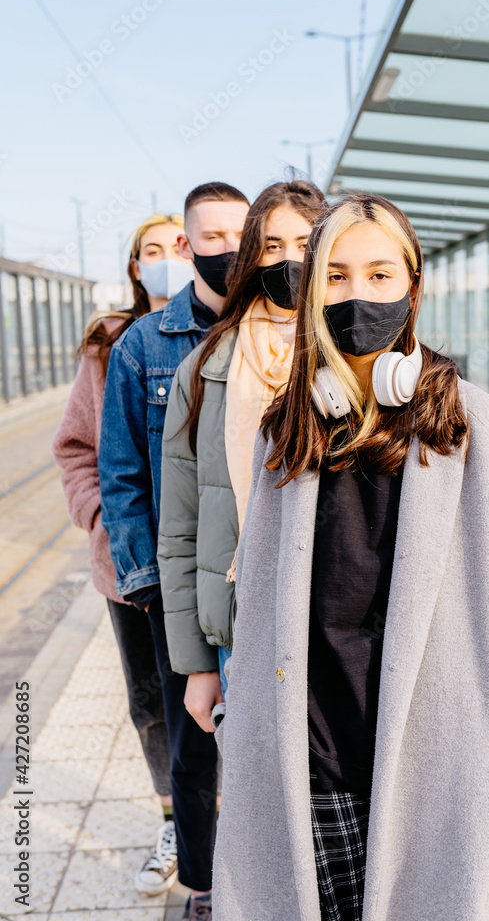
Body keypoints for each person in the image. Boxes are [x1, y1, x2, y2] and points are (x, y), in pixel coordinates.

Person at [211, 193, 489, 921]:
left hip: (440, 776)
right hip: (308, 767)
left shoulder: (471, 425)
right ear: (311, 293)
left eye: (378, 275)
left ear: (412, 286)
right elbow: (259, 597)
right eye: (334, 276)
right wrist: (239, 730)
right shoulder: (288, 429)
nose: (355, 295)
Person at [99, 182, 249, 921]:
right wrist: (148, 585)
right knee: (195, 741)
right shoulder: (143, 346)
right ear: (188, 244)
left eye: (240, 234)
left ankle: (263, 873)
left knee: (265, 732)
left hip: (259, 577)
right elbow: (120, 474)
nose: (231, 249)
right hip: (180, 581)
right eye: (212, 236)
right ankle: (202, 887)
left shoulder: (273, 328)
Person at [52, 212, 191, 895]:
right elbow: (75, 446)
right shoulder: (109, 345)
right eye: (153, 252)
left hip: (204, 561)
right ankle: (175, 819)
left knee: (213, 693)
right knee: (149, 701)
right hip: (126, 566)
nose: (169, 260)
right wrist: (98, 519)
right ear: (135, 268)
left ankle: (218, 819)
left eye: (182, 247)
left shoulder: (222, 332)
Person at [157, 180, 326, 735]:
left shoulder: (360, 358)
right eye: (272, 246)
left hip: (341, 624)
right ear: (251, 256)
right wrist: (198, 664)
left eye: (304, 243)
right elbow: (181, 525)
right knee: (258, 801)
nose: (287, 260)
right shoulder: (204, 370)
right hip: (242, 624)